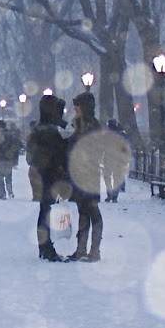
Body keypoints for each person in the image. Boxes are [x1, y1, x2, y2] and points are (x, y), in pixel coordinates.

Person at [26, 94, 70, 262]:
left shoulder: (41, 128)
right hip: (50, 175)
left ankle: (44, 246)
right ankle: (46, 247)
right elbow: (57, 153)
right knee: (46, 211)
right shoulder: (48, 131)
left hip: (44, 174)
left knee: (45, 210)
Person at [65, 91, 106, 262]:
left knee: (92, 211)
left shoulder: (90, 126)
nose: (75, 109)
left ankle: (94, 250)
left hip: (88, 174)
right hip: (80, 174)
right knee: (83, 211)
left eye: (78, 106)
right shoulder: (82, 124)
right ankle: (81, 248)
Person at [0, 118, 23, 199]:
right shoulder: (11, 135)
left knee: (0, 177)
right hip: (9, 158)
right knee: (8, 176)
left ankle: (2, 194)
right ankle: (10, 191)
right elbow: (18, 145)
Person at [104, 118, 133, 203]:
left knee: (107, 176)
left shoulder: (107, 135)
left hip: (108, 158)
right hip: (118, 159)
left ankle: (109, 193)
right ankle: (115, 195)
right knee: (117, 177)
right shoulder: (122, 135)